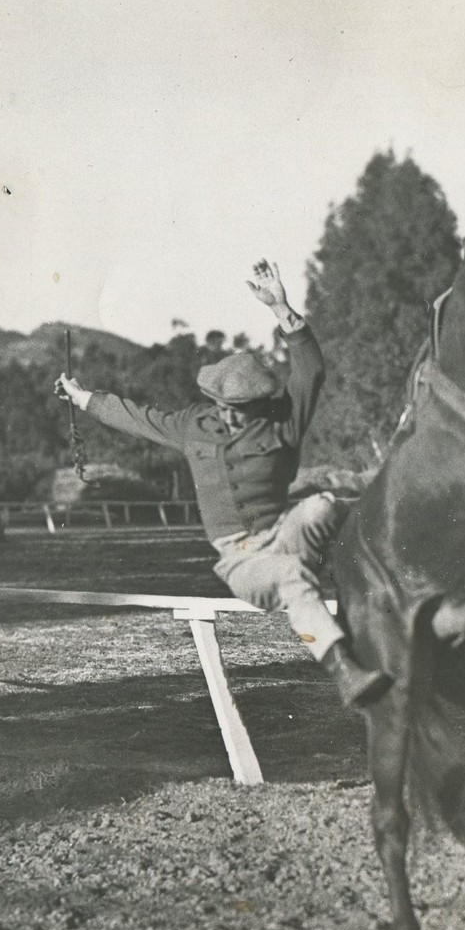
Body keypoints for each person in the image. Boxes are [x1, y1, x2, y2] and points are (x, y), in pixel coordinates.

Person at [54, 260, 390, 707]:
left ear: (261, 402)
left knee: (325, 506)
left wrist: (283, 310)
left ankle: (390, 559)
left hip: (288, 534)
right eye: (222, 405)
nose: (228, 414)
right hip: (241, 559)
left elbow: (310, 372)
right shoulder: (194, 425)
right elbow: (137, 417)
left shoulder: (282, 425)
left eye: (241, 407)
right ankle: (343, 670)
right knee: (292, 577)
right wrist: (82, 397)